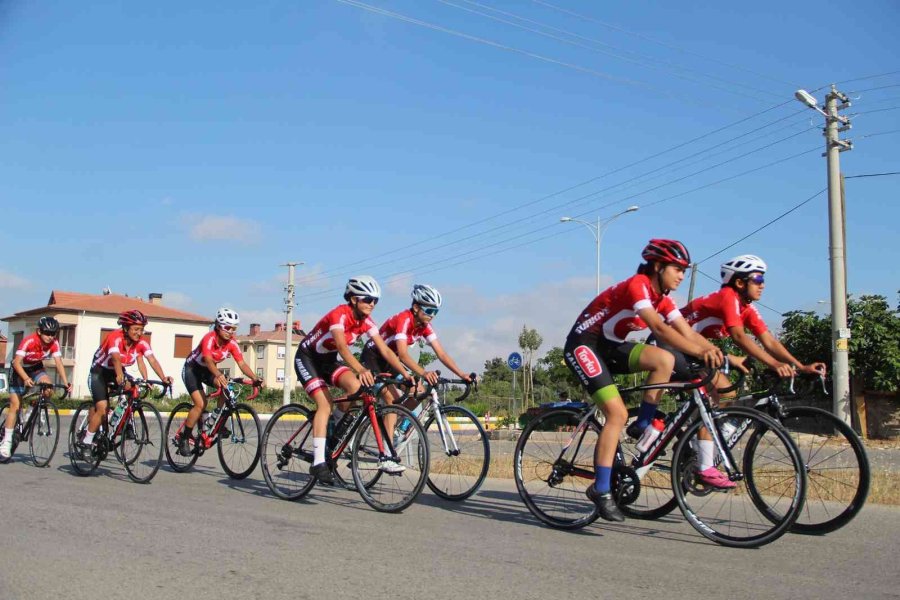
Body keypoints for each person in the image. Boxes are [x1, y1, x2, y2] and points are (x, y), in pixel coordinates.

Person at [563, 239, 725, 521]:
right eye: (677, 269)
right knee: (616, 414)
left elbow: (686, 331)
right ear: (659, 266)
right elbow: (660, 329)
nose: (681, 275)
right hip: (584, 344)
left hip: (610, 346)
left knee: (665, 360)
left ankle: (641, 425)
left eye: (684, 271)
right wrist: (700, 350)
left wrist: (714, 352)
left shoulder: (663, 298)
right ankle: (601, 490)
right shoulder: (638, 284)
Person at [293, 276, 413, 482]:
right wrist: (360, 368)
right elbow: (342, 347)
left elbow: (384, 349)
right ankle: (319, 462)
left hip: (328, 361)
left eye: (376, 300)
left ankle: (336, 428)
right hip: (308, 358)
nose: (372, 304)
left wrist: (406, 374)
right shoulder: (339, 315)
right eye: (367, 299)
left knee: (357, 388)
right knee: (325, 404)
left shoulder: (367, 322)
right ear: (354, 299)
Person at [681, 254, 827, 385]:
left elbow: (769, 342)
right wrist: (775, 364)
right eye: (758, 279)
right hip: (671, 339)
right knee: (710, 396)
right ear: (739, 283)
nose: (762, 285)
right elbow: (739, 336)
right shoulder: (728, 296)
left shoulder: (746, 308)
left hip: (693, 347)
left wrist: (800, 367)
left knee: (727, 396)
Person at [359, 284, 472, 439]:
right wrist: (424, 373)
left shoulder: (425, 326)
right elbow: (404, 355)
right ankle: (387, 453)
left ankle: (392, 425)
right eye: (429, 310)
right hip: (373, 358)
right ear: (416, 307)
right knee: (391, 399)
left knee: (419, 392)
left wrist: (461, 373)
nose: (432, 315)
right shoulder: (404, 319)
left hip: (392, 361)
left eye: (436, 311)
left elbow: (441, 353)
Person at [78, 310, 173, 453]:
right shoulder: (115, 337)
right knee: (102, 407)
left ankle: (125, 423)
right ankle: (87, 440)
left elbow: (151, 359)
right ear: (125, 328)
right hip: (99, 371)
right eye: (135, 329)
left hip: (117, 370)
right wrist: (119, 376)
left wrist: (163, 378)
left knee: (132, 389)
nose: (139, 333)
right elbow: (116, 358)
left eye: (141, 329)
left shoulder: (141, 343)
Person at [176, 308, 262, 456]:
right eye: (227, 328)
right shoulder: (209, 338)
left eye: (233, 329)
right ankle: (184, 437)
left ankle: (216, 420)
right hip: (192, 369)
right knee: (200, 403)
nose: (230, 332)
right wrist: (218, 374)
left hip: (209, 371)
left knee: (227, 388)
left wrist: (254, 377)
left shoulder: (232, 343)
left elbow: (242, 364)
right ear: (218, 326)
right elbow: (208, 360)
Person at [1, 317, 72, 460]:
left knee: (48, 388)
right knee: (16, 405)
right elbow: (16, 363)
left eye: (53, 334)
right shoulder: (29, 340)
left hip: (35, 368)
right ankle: (6, 442)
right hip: (19, 369)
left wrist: (66, 383)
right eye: (47, 333)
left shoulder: (54, 343)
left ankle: (32, 411)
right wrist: (26, 379)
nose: (50, 337)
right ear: (39, 331)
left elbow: (58, 363)